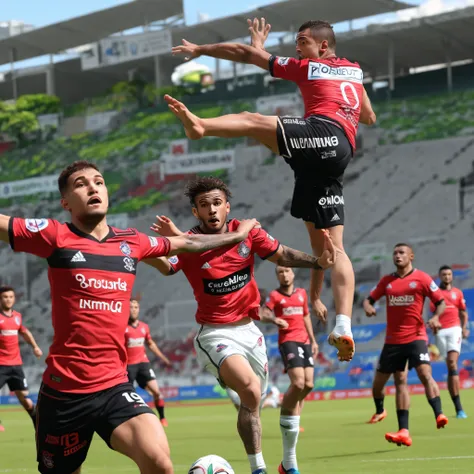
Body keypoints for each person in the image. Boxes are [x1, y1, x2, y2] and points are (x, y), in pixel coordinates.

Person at [0, 160, 260, 474]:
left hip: (114, 386)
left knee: (159, 462)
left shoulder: (131, 242)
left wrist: (237, 235)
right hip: (65, 392)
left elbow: (187, 243)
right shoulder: (54, 235)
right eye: (81, 183)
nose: (93, 187)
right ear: (65, 202)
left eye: (98, 181)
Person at [168, 18, 378, 362]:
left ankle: (201, 128)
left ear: (322, 47)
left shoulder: (309, 67)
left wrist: (201, 49)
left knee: (252, 119)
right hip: (335, 156)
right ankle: (343, 324)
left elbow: (244, 55)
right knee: (329, 247)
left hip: (321, 135)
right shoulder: (353, 71)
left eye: (302, 41)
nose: (297, 48)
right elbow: (368, 116)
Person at [145, 176, 336, 474]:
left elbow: (282, 254)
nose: (211, 210)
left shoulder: (247, 233)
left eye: (217, 203)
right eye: (204, 205)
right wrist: (148, 254)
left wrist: (318, 262)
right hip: (215, 334)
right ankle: (257, 469)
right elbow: (169, 267)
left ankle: (288, 464)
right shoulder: (189, 242)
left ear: (227, 206)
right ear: (196, 212)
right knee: (249, 391)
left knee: (255, 400)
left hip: (250, 331)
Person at [363, 243, 448, 447]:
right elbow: (368, 300)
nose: (397, 256)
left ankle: (439, 413)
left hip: (416, 337)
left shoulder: (423, 279)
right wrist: (368, 308)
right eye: (395, 253)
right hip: (393, 341)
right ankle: (396, 424)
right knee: (385, 384)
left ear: (411, 256)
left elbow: (441, 301)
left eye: (402, 253)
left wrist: (436, 318)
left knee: (425, 374)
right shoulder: (387, 281)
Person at [260, 266, 317, 473]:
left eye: (287, 271)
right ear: (277, 276)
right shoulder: (274, 296)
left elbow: (307, 316)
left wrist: (312, 339)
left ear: (293, 274)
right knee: (299, 383)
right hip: (288, 342)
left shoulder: (302, 293)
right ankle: (286, 410)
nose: (284, 275)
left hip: (304, 341)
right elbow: (263, 312)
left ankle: (292, 414)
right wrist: (274, 319)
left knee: (309, 384)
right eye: (280, 272)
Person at [0, 286, 42, 431]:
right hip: (1, 364)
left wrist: (35, 346)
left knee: (25, 398)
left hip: (16, 365)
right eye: (5, 297)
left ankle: (37, 422)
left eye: (11, 297)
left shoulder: (17, 316)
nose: (8, 299)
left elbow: (24, 332)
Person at [430, 265, 469, 418]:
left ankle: (459, 408)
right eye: (444, 274)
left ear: (452, 276)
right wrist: (434, 325)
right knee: (449, 365)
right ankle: (457, 406)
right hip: (441, 332)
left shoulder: (457, 293)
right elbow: (434, 314)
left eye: (449, 274)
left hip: (454, 329)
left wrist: (464, 328)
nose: (447, 277)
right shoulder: (435, 294)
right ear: (440, 276)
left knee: (452, 363)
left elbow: (463, 313)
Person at [126, 298, 171, 427]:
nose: (134, 310)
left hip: (143, 363)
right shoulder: (122, 327)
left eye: (136, 307)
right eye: (131, 307)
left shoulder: (144, 327)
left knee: (157, 392)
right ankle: (132, 421)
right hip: (128, 366)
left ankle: (162, 418)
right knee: (129, 396)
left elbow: (150, 344)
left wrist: (163, 358)